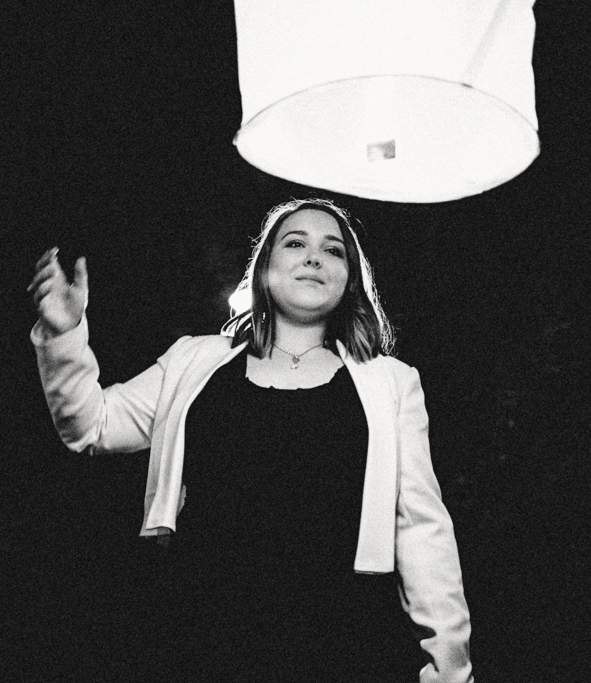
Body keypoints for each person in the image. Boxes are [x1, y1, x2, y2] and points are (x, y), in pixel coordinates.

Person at [28, 198, 473, 682]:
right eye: (295, 243)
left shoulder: (391, 383)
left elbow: (424, 533)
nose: (313, 257)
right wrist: (64, 332)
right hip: (199, 637)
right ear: (264, 270)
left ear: (349, 279)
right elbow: (89, 426)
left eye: (334, 250)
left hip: (342, 644)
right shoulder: (193, 362)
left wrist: (450, 670)